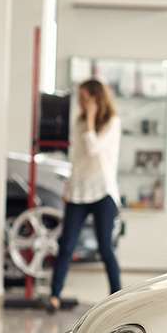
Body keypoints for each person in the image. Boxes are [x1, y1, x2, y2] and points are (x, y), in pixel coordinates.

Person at [48, 78, 123, 312]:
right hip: (79, 192)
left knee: (105, 248)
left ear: (96, 98)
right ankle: (54, 295)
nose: (80, 103)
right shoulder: (79, 122)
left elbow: (93, 149)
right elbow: (78, 159)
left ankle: (118, 299)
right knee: (66, 245)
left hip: (103, 192)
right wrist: (69, 187)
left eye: (84, 98)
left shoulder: (112, 122)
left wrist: (91, 119)